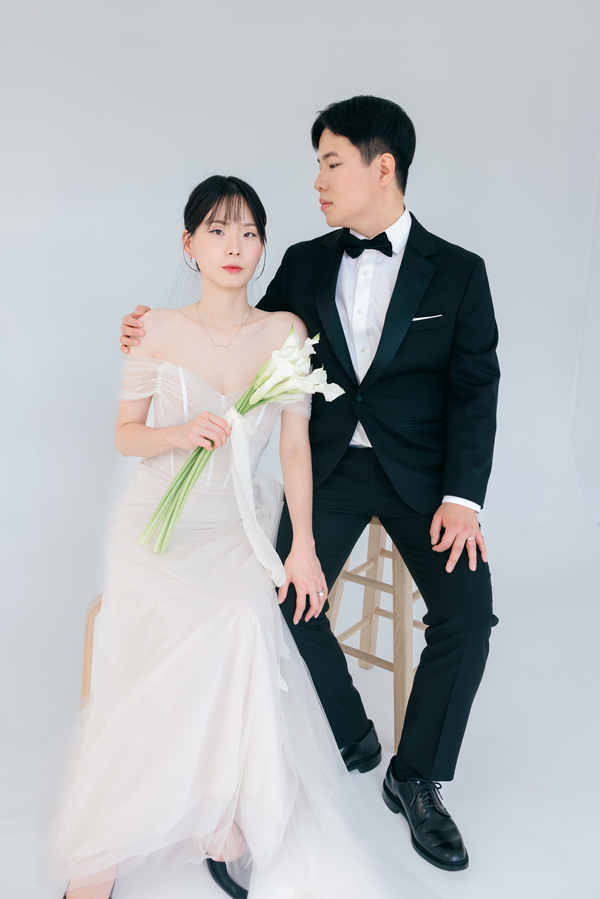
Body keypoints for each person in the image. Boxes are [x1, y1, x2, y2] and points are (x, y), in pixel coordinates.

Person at [121, 95, 500, 873]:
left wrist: (462, 499)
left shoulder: (460, 273)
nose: (318, 181)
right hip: (327, 470)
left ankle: (415, 776)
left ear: (381, 167)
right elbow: (241, 331)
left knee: (469, 612)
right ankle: (351, 733)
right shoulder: (303, 262)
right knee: (286, 591)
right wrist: (155, 330)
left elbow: (475, 391)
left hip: (425, 481)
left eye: (331, 163)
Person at [53, 175, 430, 899]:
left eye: (249, 232)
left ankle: (221, 811)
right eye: (217, 230)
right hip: (155, 518)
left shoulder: (283, 333)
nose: (234, 245)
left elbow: (293, 446)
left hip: (237, 520)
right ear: (188, 243)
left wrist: (303, 545)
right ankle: (105, 839)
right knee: (160, 620)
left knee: (242, 618)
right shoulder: (154, 327)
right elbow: (126, 433)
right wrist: (177, 432)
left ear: (262, 248)